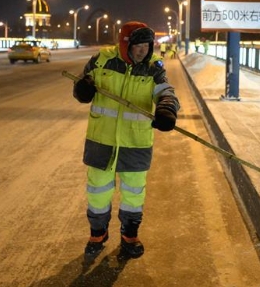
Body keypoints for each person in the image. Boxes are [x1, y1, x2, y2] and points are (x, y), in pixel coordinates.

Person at [72, 21, 180, 259]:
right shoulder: (101, 61)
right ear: (124, 44)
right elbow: (80, 84)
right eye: (138, 45)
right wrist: (82, 90)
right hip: (101, 141)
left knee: (133, 193)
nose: (143, 51)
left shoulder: (153, 69)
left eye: (147, 45)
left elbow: (166, 92)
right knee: (98, 191)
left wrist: (167, 110)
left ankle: (130, 235)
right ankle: (97, 234)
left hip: (136, 142)